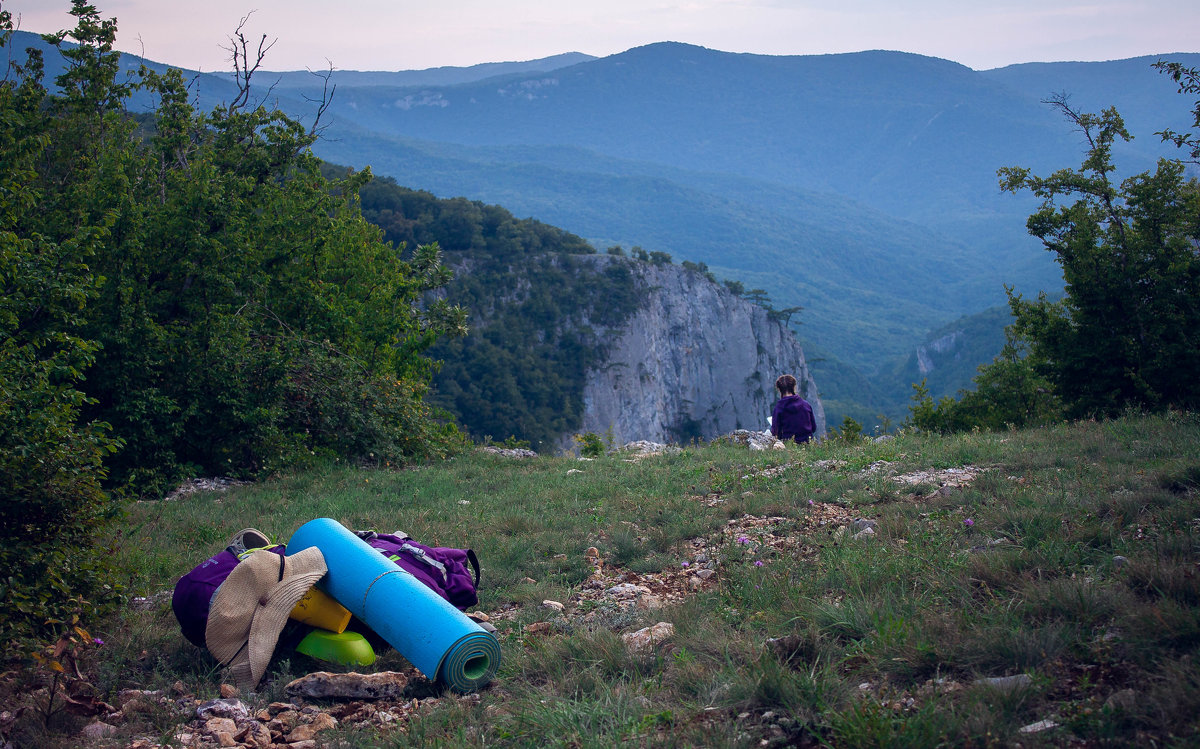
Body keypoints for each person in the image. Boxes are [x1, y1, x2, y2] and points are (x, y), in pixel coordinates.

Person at [770, 374, 816, 443]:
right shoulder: (806, 405)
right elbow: (813, 428)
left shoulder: (779, 408)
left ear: (779, 389)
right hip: (808, 444)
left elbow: (775, 432)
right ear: (794, 387)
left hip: (789, 446)